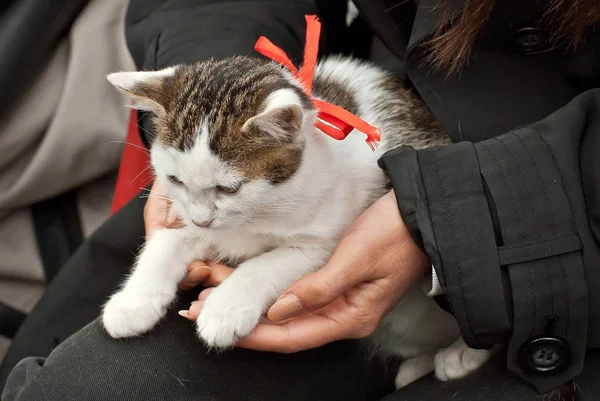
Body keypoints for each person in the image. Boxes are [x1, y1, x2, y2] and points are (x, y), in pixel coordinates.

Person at [2, 0, 600, 399]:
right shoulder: (225, 172)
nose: (200, 211)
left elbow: (311, 239)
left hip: (548, 226)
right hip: (268, 131)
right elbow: (200, 215)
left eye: (218, 191)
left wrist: (447, 209)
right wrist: (213, 74)